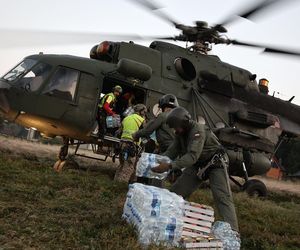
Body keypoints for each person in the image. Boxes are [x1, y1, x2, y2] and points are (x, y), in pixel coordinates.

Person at [151, 107, 239, 232]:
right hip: (198, 164)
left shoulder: (198, 131)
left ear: (184, 123)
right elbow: (172, 150)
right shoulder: (180, 133)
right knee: (176, 192)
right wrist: (157, 160)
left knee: (222, 197)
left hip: (216, 163)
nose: (175, 131)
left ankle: (233, 233)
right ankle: (166, 219)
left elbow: (192, 156)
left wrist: (170, 166)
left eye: (176, 127)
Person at [114, 104, 147, 183]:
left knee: (122, 165)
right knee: (129, 167)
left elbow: (119, 131)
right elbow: (145, 133)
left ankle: (115, 182)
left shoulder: (126, 118)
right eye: (144, 112)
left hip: (122, 144)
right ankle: (120, 186)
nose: (144, 113)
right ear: (141, 111)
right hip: (132, 145)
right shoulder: (141, 120)